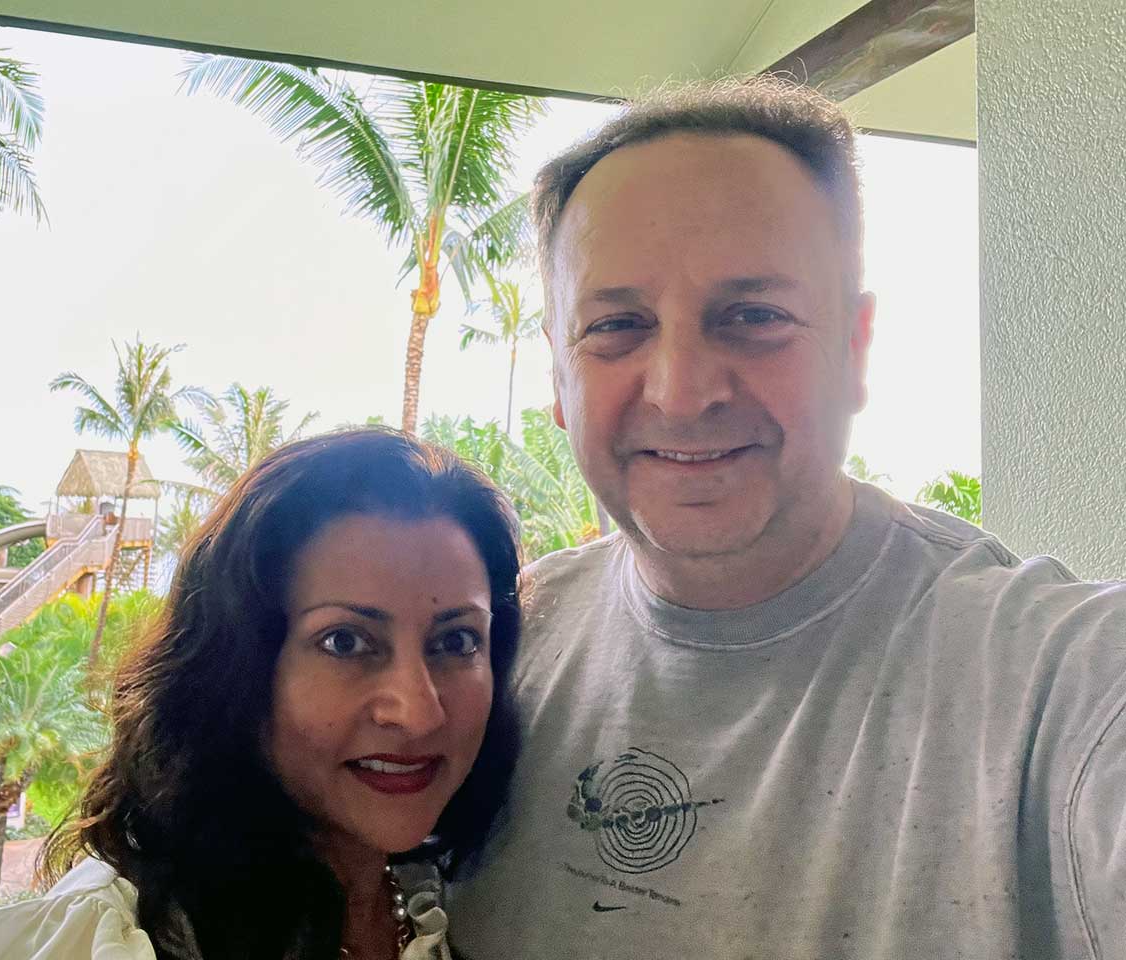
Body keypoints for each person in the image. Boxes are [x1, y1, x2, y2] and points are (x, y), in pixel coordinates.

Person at [446, 78, 1126, 960]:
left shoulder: (1054, 682)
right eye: (617, 325)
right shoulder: (488, 653)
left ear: (856, 349)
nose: (682, 393)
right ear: (557, 376)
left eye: (754, 316)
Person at [0, 428, 522, 960]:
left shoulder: (455, 900)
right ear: (238, 664)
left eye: (456, 641)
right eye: (345, 642)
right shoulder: (111, 939)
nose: (419, 712)